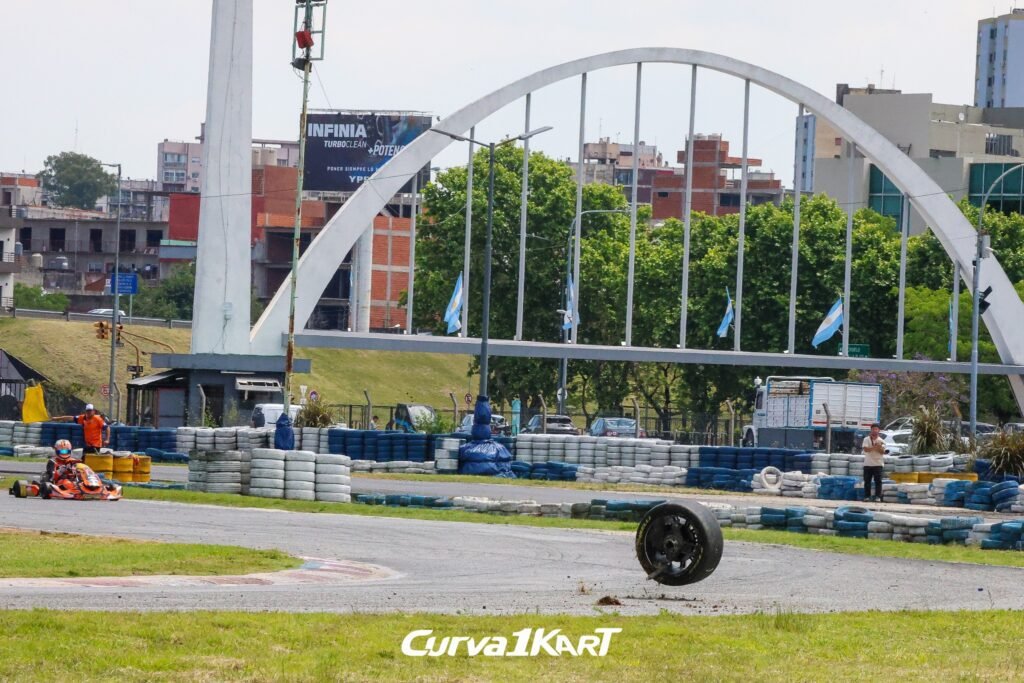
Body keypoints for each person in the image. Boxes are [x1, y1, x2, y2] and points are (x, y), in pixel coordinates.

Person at [862, 423, 886, 502]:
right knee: (867, 481)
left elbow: (882, 452)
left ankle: (878, 496)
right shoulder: (866, 439)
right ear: (871, 430)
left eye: (876, 429)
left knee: (878, 481)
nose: (874, 431)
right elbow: (866, 449)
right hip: (868, 463)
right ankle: (867, 496)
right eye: (873, 429)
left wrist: (879, 447)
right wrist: (874, 447)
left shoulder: (881, 441)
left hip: (878, 464)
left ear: (879, 430)